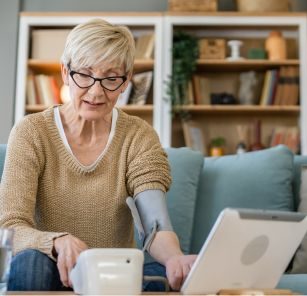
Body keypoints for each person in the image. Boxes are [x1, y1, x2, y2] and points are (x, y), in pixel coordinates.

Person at [0, 18, 196, 292]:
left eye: (111, 78)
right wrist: (56, 241)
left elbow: (155, 225)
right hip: (50, 268)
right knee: (29, 262)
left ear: (126, 81)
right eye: (84, 74)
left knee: (166, 272)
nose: (96, 91)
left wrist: (176, 259)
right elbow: (9, 226)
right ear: (65, 73)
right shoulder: (31, 132)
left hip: (112, 275)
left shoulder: (138, 136)